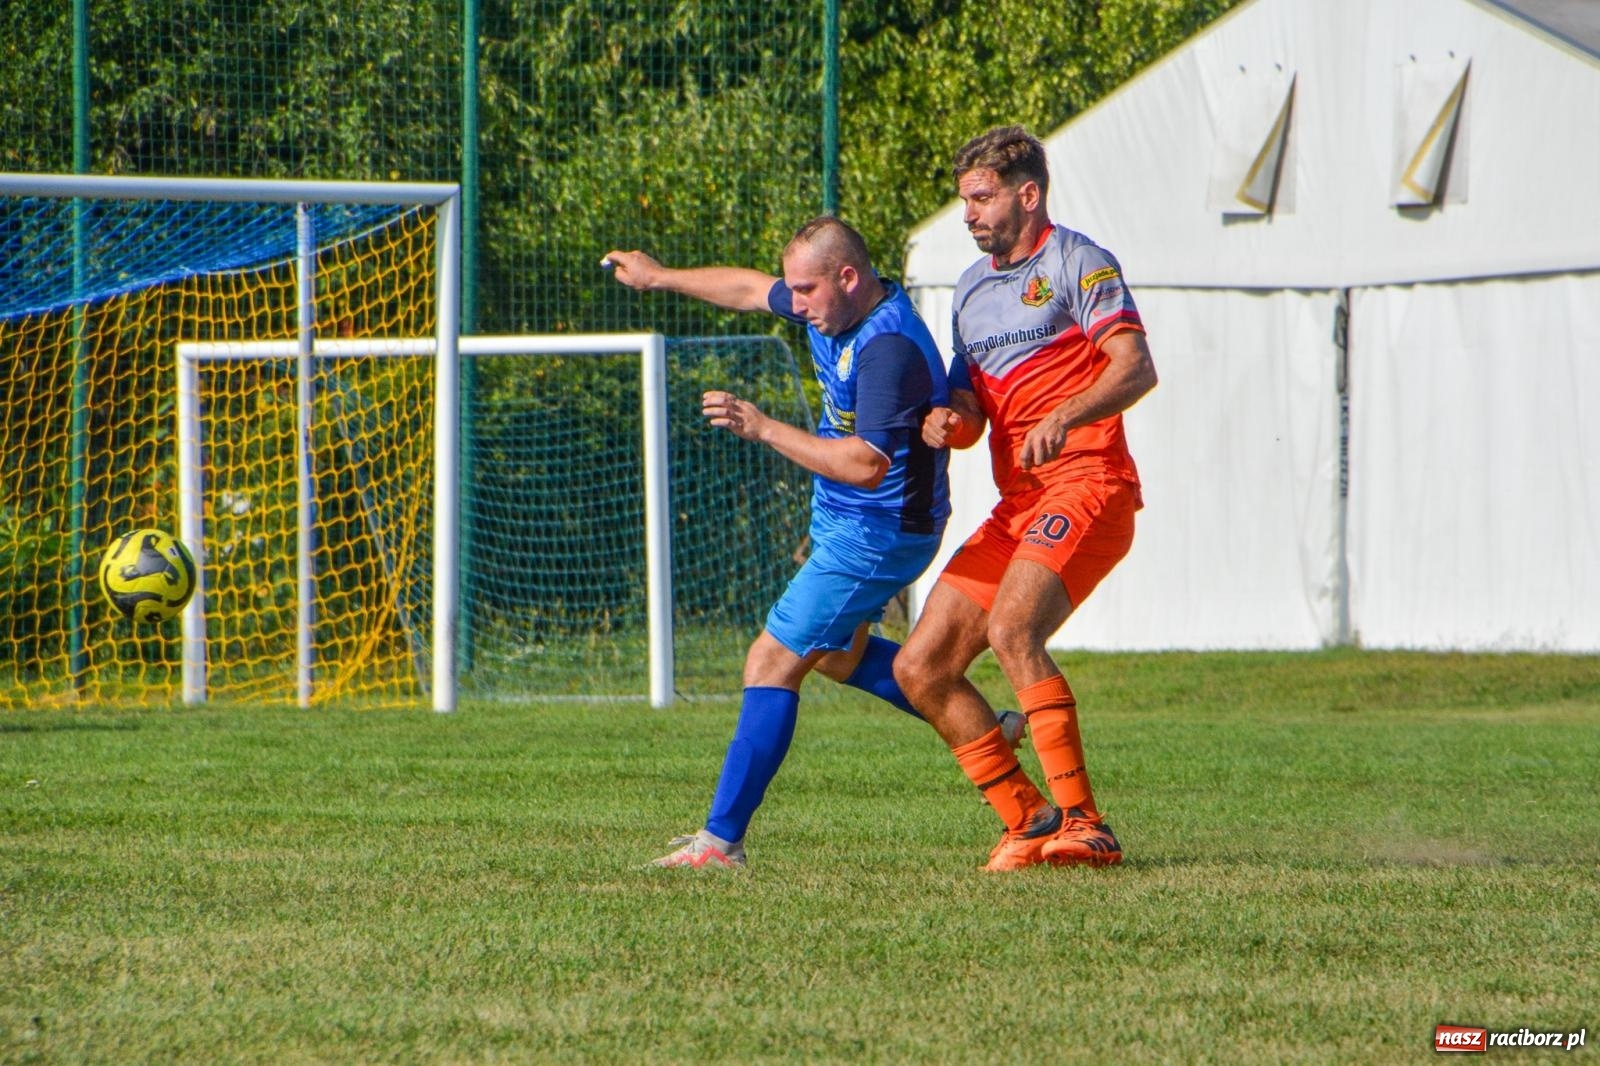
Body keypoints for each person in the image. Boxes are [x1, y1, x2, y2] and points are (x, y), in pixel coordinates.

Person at [603, 217, 1022, 869]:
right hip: (850, 521)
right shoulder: (829, 306)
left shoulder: (888, 349)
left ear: (846, 278)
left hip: (879, 534)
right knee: (833, 655)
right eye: (793, 291)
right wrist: (660, 277)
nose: (793, 305)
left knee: (770, 661)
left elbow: (865, 464)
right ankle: (984, 726)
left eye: (804, 292)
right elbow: (749, 288)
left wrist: (763, 427)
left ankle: (719, 843)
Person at [893, 125, 1159, 872]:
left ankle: (1086, 823)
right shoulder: (973, 289)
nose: (969, 214)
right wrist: (952, 419)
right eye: (964, 201)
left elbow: (1136, 368)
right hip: (1022, 503)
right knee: (921, 667)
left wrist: (1067, 415)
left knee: (1013, 631)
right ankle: (1029, 819)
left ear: (1027, 194)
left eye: (981, 198)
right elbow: (973, 407)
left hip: (1091, 483)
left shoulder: (1079, 261)